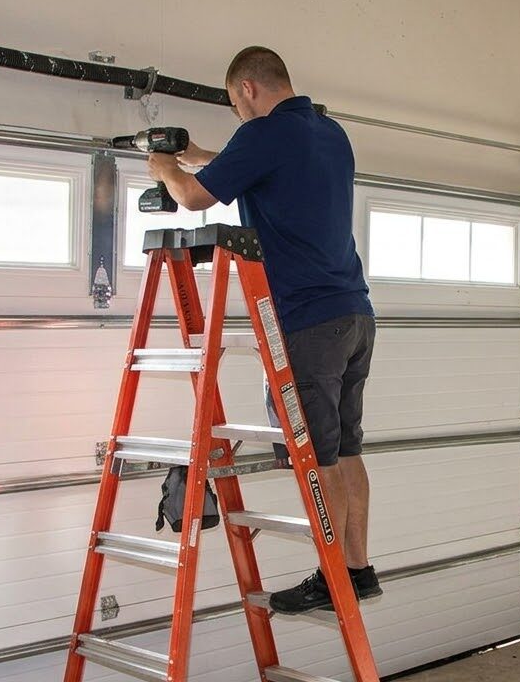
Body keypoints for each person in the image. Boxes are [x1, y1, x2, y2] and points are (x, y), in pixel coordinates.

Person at [146, 46, 378, 614]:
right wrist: (203, 153)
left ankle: (331, 578)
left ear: (248, 88)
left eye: (234, 104)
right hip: (353, 313)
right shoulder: (329, 133)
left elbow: (196, 197)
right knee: (345, 449)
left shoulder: (264, 135)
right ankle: (358, 569)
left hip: (306, 322)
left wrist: (166, 168)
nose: (238, 115)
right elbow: (253, 162)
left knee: (314, 456)